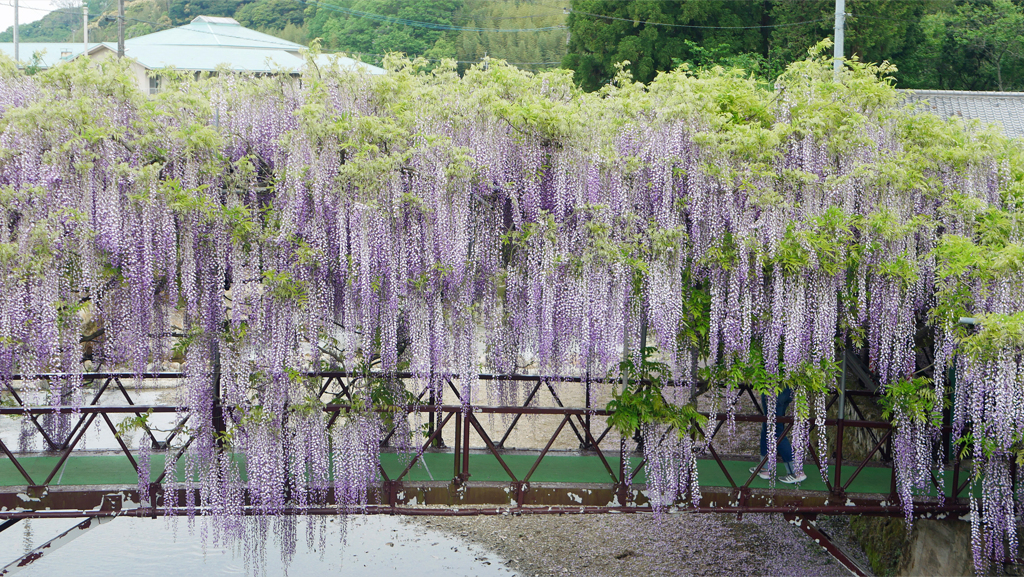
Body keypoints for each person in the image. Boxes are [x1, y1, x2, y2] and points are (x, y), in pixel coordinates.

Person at [749, 386, 807, 484]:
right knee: (767, 426)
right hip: (787, 388)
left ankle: (796, 471)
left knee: (775, 430)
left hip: (773, 389)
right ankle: (765, 466)